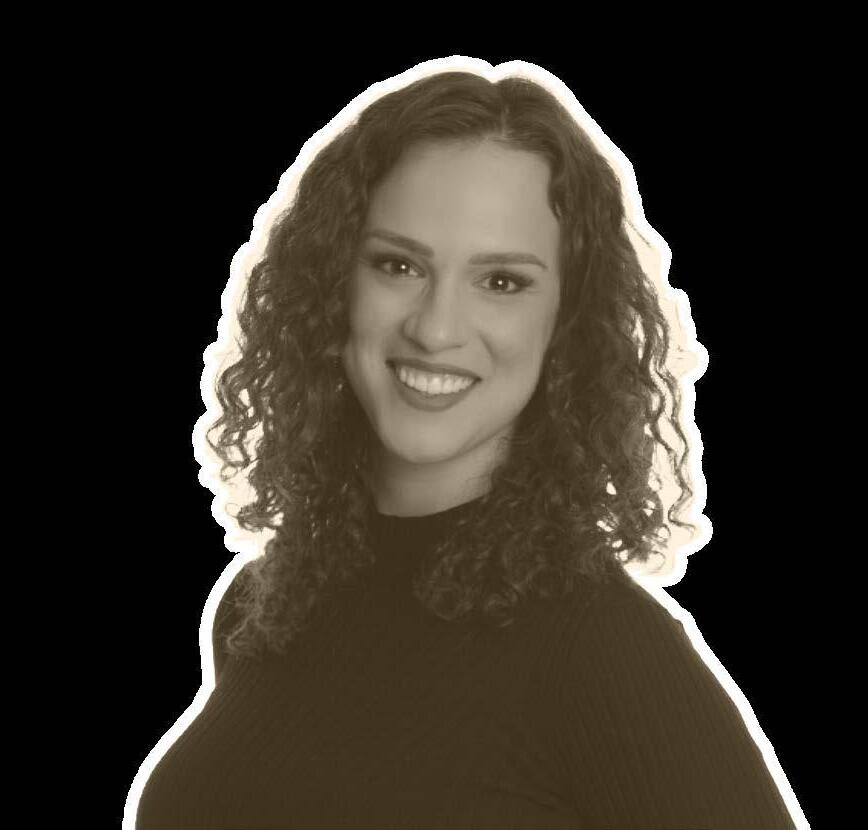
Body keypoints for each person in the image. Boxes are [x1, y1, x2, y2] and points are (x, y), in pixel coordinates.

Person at [133, 64, 803, 829]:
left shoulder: (604, 651)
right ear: (332, 285)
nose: (436, 327)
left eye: (503, 282)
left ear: (566, 327)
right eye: (398, 265)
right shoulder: (266, 605)